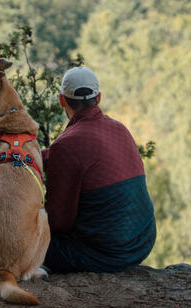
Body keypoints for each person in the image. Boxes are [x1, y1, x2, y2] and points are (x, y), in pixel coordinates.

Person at [41, 66, 156, 273]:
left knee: (23, 239)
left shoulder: (66, 145)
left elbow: (58, 223)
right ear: (99, 97)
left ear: (61, 100)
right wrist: (39, 156)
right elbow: (84, 156)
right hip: (141, 243)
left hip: (102, 255)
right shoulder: (119, 129)